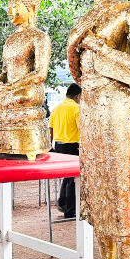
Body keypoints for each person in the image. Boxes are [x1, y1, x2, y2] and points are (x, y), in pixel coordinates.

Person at [49, 83, 81, 218]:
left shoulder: (56, 108)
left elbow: (50, 128)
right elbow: (82, 128)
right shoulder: (77, 108)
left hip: (59, 145)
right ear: (78, 96)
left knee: (66, 176)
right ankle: (70, 210)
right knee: (74, 178)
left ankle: (62, 202)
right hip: (73, 145)